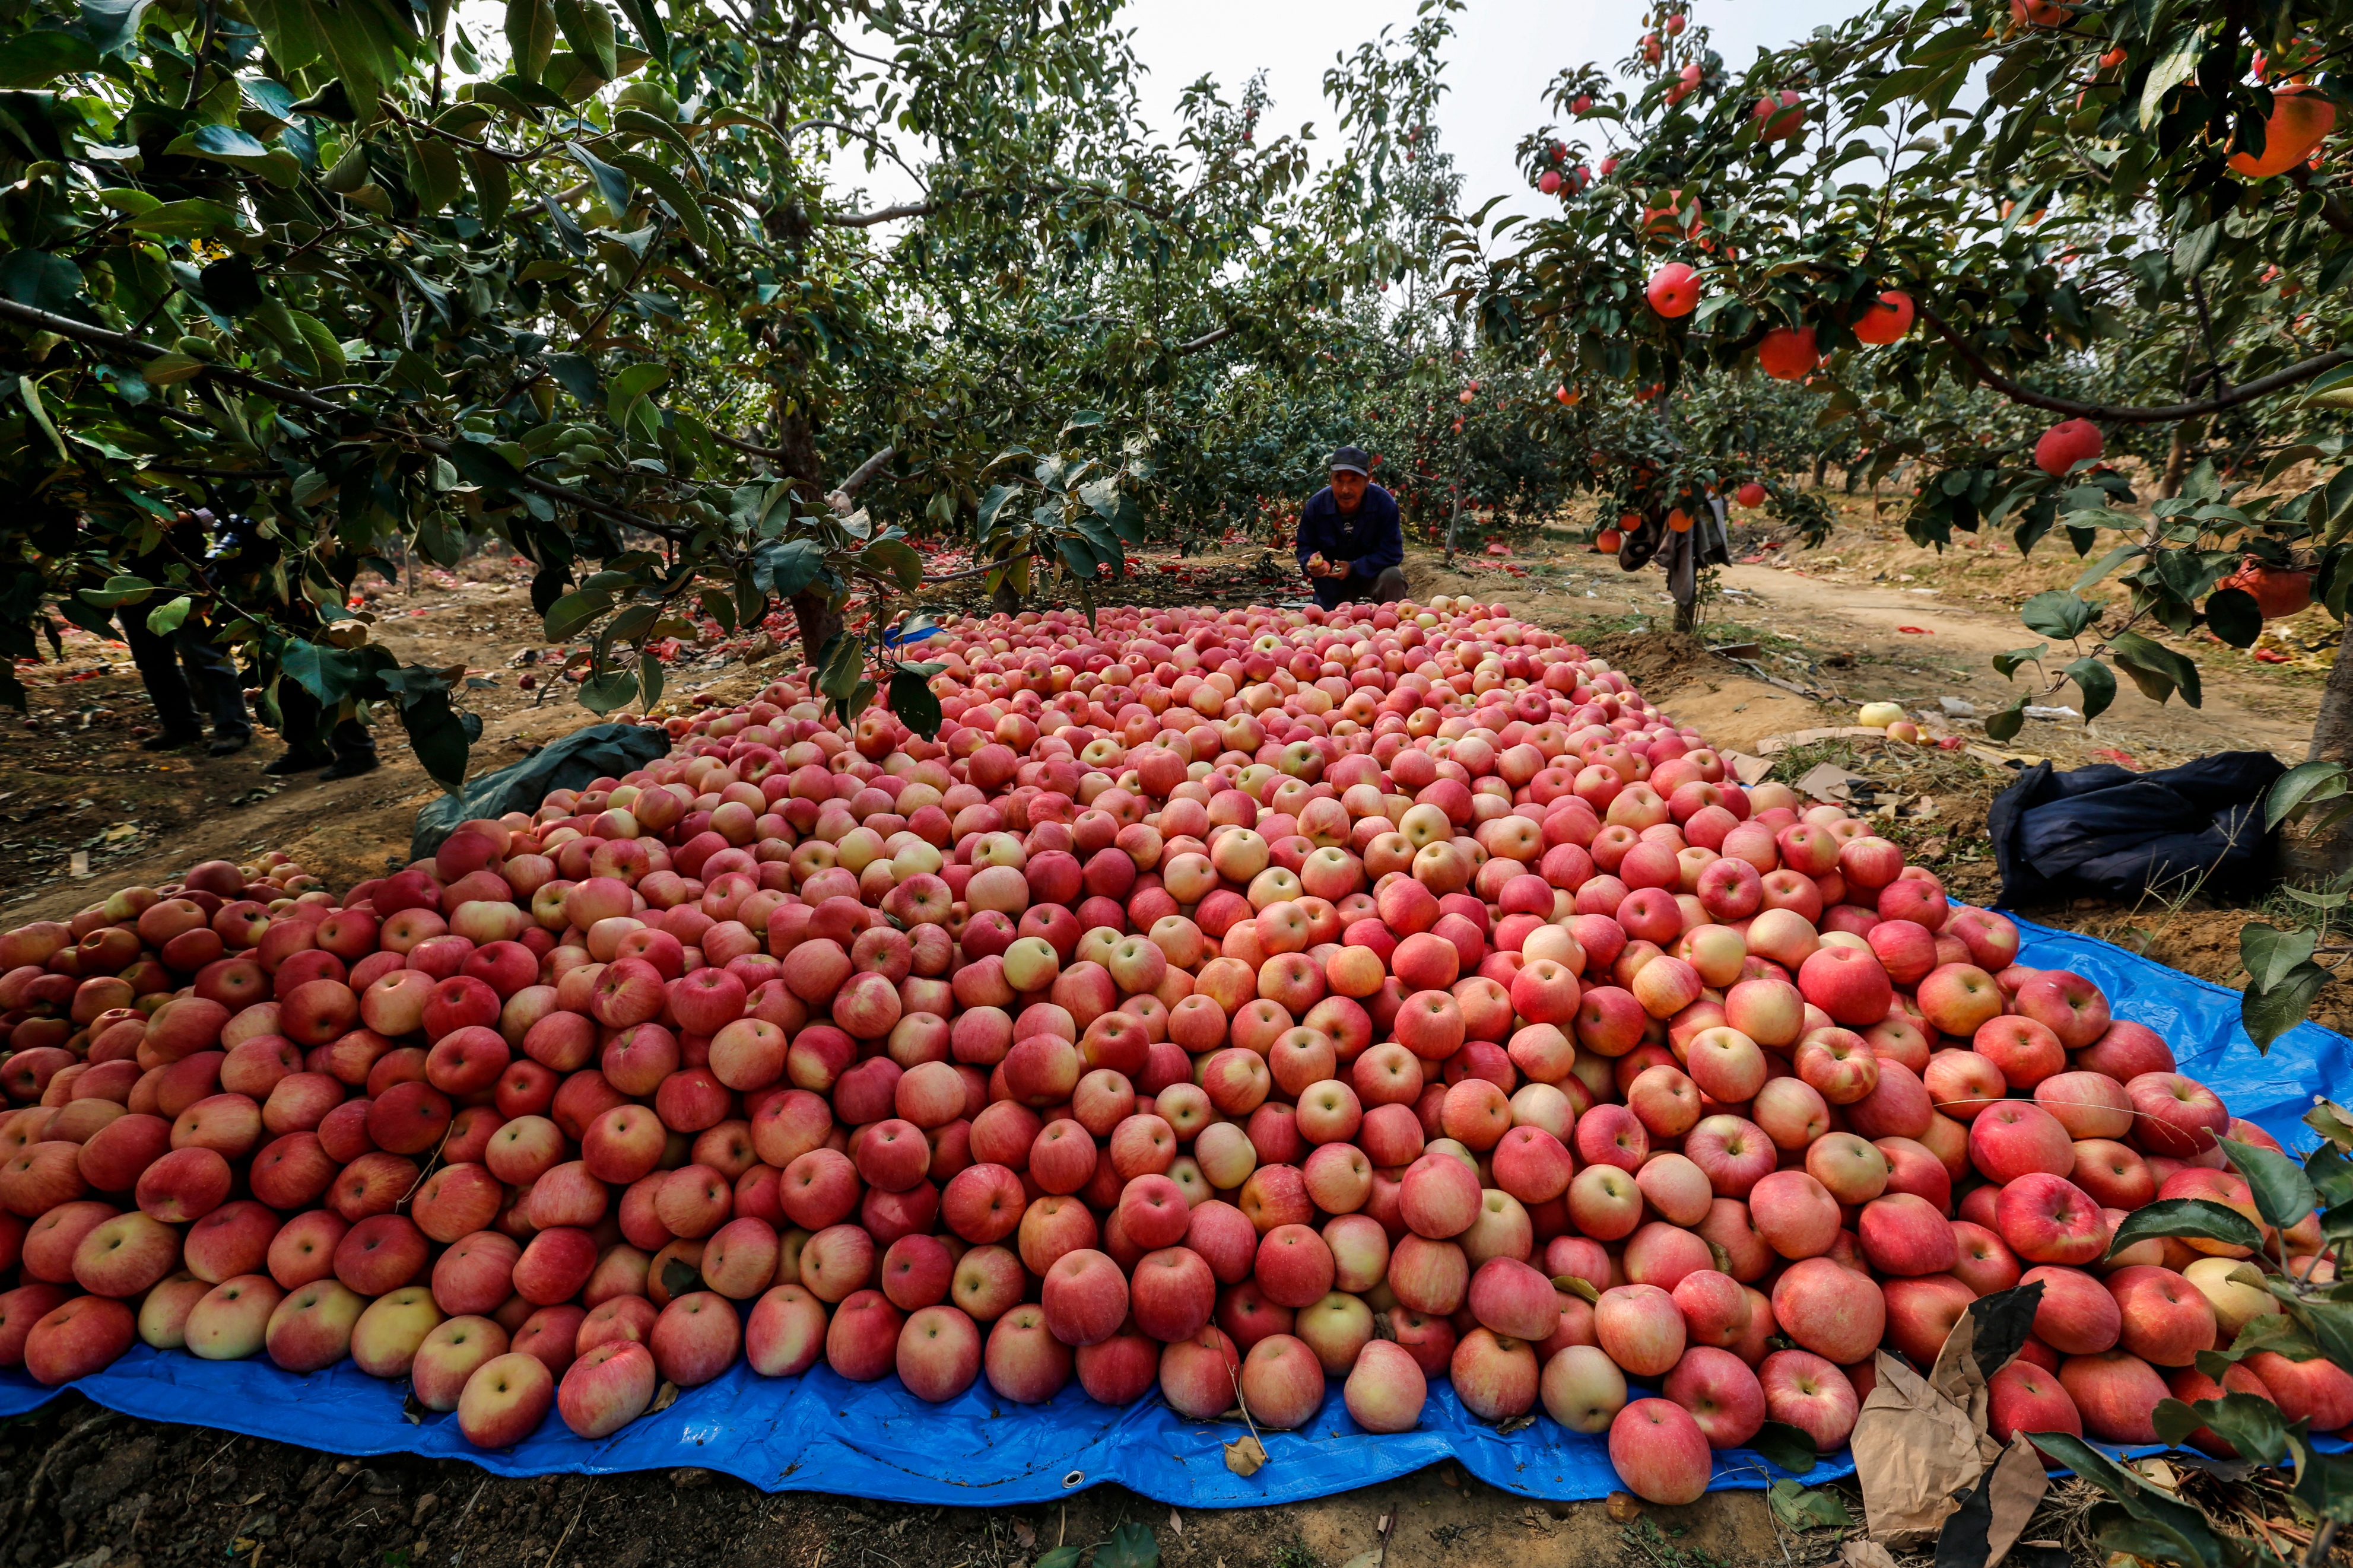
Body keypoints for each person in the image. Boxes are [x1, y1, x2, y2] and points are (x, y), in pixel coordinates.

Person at [1295, 446, 1408, 611]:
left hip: (1372, 574)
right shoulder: (1316, 506)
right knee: (1329, 631)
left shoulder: (1384, 503)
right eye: (1339, 480)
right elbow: (1305, 547)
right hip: (1332, 582)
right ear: (1330, 479)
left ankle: (1393, 625)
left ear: (1368, 479)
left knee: (1393, 577)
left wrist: (1354, 567)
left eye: (1354, 480)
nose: (1345, 490)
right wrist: (1311, 564)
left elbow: (1393, 552)